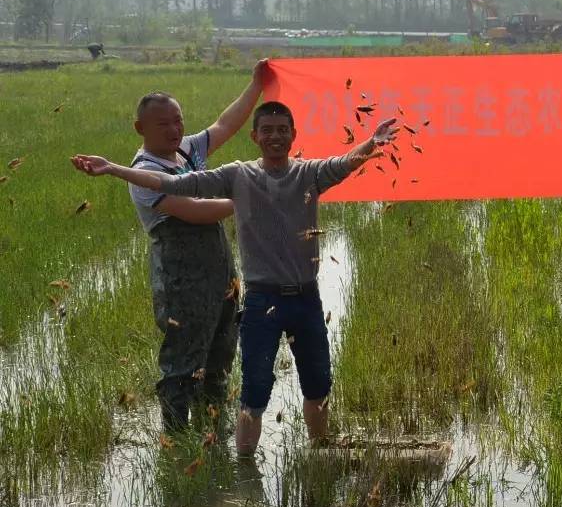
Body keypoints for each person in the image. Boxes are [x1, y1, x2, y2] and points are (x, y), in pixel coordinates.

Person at [72, 102, 398, 455]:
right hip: (262, 302)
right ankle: (244, 472)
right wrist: (114, 169)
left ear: (293, 136)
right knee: (254, 392)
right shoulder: (238, 176)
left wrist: (371, 143)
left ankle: (320, 454)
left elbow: (344, 163)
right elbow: (169, 183)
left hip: (306, 299)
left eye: (282, 130)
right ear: (255, 136)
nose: (275, 136)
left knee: (318, 386)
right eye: (268, 130)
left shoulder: (309, 174)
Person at [128, 61, 268, 435]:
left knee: (222, 350)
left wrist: (257, 85)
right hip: (181, 279)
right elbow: (194, 212)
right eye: (164, 124)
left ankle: (212, 433)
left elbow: (225, 125)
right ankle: (177, 440)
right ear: (141, 128)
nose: (175, 129)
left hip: (220, 271)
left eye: (178, 120)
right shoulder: (145, 172)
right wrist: (246, 200)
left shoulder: (188, 153)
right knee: (183, 358)